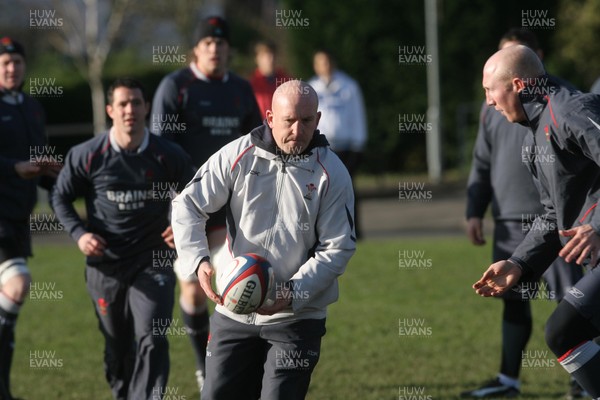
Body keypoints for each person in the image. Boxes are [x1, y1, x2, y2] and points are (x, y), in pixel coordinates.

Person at [171, 80, 356, 400]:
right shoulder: (238, 155)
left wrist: (293, 293)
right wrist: (198, 261)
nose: (297, 130)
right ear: (270, 117)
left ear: (318, 119)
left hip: (297, 318)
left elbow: (337, 246)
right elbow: (187, 203)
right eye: (288, 121)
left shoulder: (332, 172)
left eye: (307, 121)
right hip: (234, 311)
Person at [52, 78, 195, 399]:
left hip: (153, 261)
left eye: (136, 102)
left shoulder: (167, 154)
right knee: (117, 345)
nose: (130, 109)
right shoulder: (87, 155)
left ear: (146, 107)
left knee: (153, 336)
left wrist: (183, 224)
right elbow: (60, 197)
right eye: (123, 104)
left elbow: (198, 195)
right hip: (106, 266)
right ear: (110, 110)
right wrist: (80, 234)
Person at [462, 29, 584, 399]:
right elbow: (482, 164)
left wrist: (593, 222)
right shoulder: (513, 119)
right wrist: (476, 212)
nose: (489, 100)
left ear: (519, 80)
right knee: (537, 314)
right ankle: (510, 380)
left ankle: (583, 384)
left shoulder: (568, 109)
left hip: (570, 231)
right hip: (519, 225)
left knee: (572, 311)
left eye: (492, 89)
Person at [150, 15, 262, 390]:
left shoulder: (241, 90)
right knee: (195, 292)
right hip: (191, 209)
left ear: (228, 49)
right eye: (207, 43)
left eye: (221, 43)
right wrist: (173, 212)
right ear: (195, 49)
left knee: (238, 289)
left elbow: (258, 148)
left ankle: (233, 371)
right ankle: (204, 367)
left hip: (233, 212)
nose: (215, 48)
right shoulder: (175, 87)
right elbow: (158, 152)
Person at [0, 37, 58, 400]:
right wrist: (13, 168)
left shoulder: (33, 107)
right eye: (5, 63)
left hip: (19, 217)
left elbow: (41, 163)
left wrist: (62, 177)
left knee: (8, 304)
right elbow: (19, 166)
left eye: (17, 62)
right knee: (18, 284)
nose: (11, 68)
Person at [308, 49, 367, 238]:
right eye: (320, 62)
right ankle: (321, 232)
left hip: (345, 147)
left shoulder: (349, 86)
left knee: (348, 189)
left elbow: (358, 116)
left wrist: (359, 144)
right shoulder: (310, 87)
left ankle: (353, 230)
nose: (324, 66)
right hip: (322, 146)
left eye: (327, 61)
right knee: (319, 190)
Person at [249, 40, 291, 119]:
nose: (271, 59)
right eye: (265, 56)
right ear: (257, 58)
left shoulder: (287, 82)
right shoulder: (250, 86)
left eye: (273, 55)